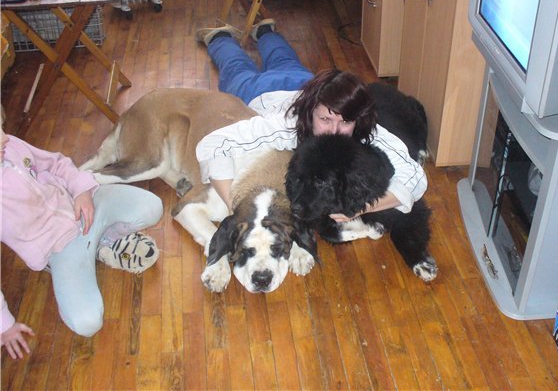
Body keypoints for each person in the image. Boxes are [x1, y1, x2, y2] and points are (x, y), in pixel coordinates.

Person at [195, 20, 427, 222]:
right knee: (235, 66)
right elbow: (214, 144)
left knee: (283, 57)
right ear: (311, 112)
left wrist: (360, 208)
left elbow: (415, 178)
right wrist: (235, 206)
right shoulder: (285, 125)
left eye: (345, 122)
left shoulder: (367, 129)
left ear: (358, 118)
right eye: (325, 119)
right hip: (258, 91)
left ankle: (265, 32)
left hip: (301, 80)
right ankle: (219, 37)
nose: (334, 131)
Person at [0, 115, 163, 359]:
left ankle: (104, 241)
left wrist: (81, 191)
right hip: (60, 249)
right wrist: (4, 324)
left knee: (153, 207)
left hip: (86, 206)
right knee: (87, 323)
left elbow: (56, 164)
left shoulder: (11, 145)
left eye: (1, 127)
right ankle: (101, 248)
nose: (5, 138)